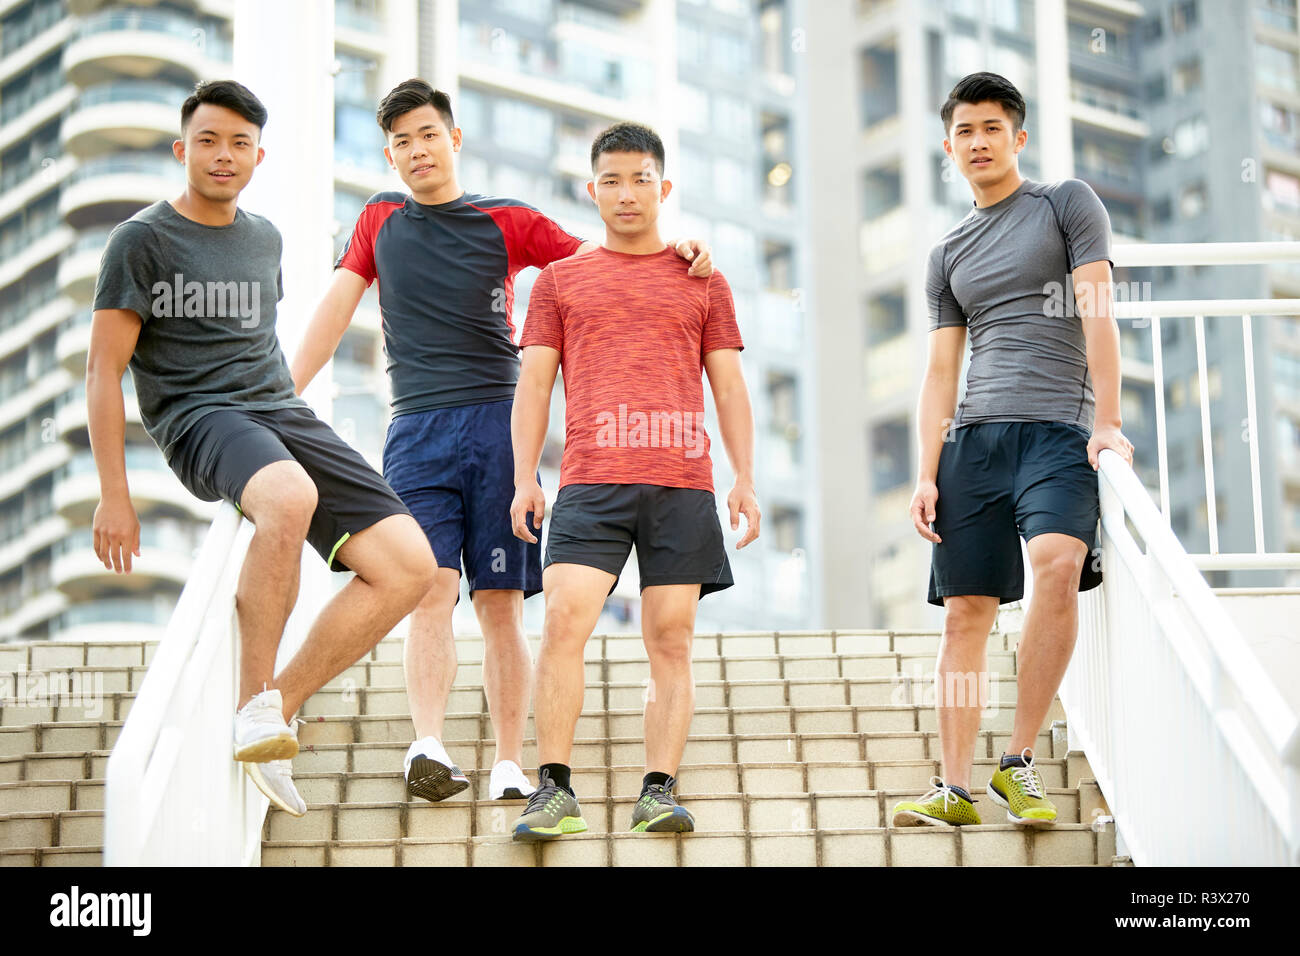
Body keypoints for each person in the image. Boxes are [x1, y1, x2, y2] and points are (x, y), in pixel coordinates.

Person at [290, 80, 713, 804]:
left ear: (453, 139)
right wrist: (280, 392)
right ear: (390, 156)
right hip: (415, 430)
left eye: (427, 134)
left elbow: (606, 259)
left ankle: (512, 764)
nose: (416, 150)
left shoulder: (506, 219)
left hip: (498, 421)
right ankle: (427, 744)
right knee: (427, 586)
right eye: (400, 142)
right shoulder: (378, 220)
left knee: (500, 603)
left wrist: (678, 248)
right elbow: (334, 311)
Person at [88, 80, 436, 819]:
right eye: (208, 141)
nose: (223, 155)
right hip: (198, 414)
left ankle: (277, 707)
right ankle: (251, 701)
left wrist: (289, 407)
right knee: (288, 497)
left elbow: (257, 345)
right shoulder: (140, 241)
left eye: (239, 143)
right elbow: (102, 370)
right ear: (183, 149)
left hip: (279, 408)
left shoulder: (263, 237)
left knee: (411, 566)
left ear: (258, 156)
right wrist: (114, 493)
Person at [892, 72, 1133, 831]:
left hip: (1060, 431)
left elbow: (1097, 313)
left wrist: (1110, 421)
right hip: (975, 441)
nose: (979, 142)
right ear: (949, 147)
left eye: (992, 128)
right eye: (964, 131)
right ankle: (953, 787)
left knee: (1059, 564)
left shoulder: (1066, 204)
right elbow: (938, 373)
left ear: (1017, 137)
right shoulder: (947, 253)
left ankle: (1019, 763)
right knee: (967, 611)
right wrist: (925, 470)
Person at [508, 121, 760, 841]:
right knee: (562, 620)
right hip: (592, 481)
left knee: (671, 636)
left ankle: (659, 789)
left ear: (664, 187)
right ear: (591, 190)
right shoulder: (558, 281)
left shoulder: (703, 278)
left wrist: (744, 478)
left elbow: (731, 388)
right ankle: (552, 788)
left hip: (682, 482)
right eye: (611, 180)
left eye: (640, 178)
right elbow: (533, 385)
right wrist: (525, 476)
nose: (626, 193)